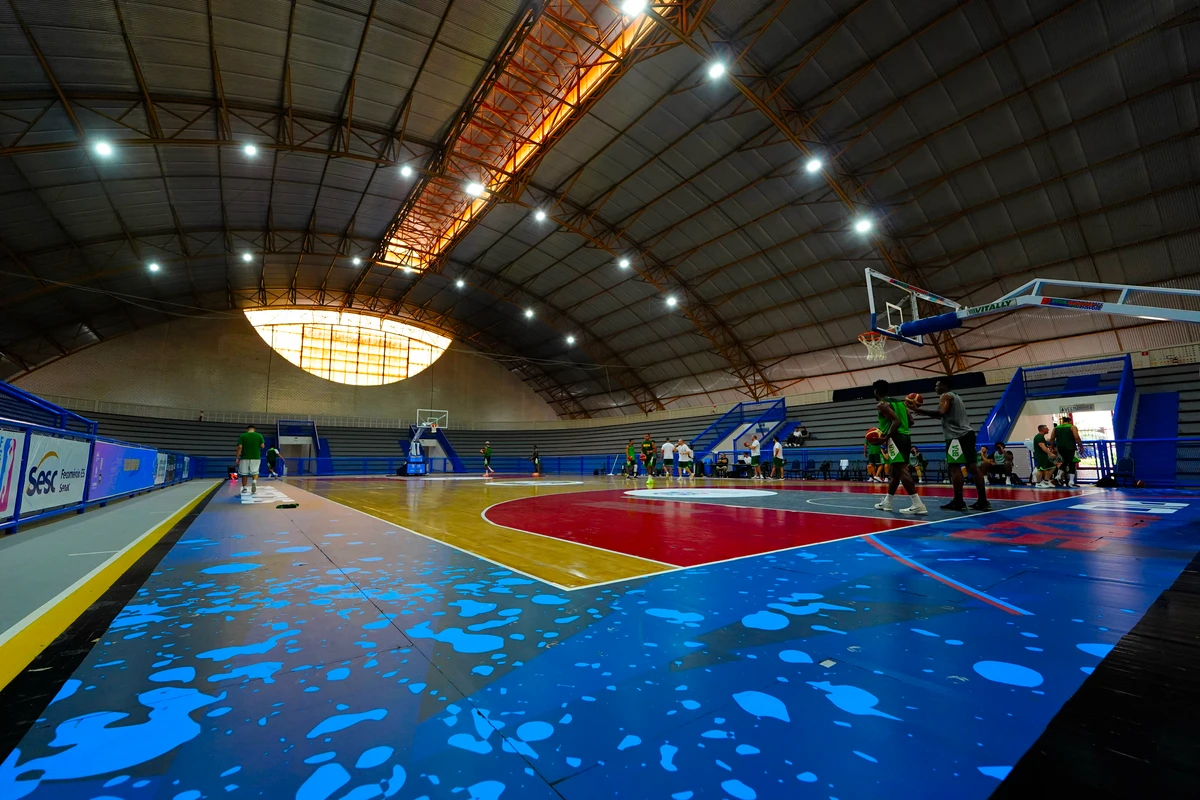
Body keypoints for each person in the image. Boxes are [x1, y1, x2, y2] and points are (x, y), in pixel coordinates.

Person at [911, 376, 989, 511]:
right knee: (972, 467)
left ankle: (959, 501)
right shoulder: (955, 396)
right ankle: (983, 500)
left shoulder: (946, 396)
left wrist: (919, 410)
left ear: (945, 386)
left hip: (956, 436)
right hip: (967, 434)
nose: (935, 388)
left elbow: (941, 412)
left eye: (937, 385)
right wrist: (923, 413)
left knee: (954, 467)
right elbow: (943, 414)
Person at [869, 380, 927, 515]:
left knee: (901, 470)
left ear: (876, 392)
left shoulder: (882, 405)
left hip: (895, 439)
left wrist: (885, 437)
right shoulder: (900, 403)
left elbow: (896, 421)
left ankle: (918, 503)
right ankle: (887, 502)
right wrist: (900, 430)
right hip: (905, 437)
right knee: (895, 473)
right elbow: (911, 421)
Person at [235, 424, 265, 495]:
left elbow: (240, 447)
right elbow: (262, 446)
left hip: (245, 457)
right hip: (256, 457)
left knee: (244, 473)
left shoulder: (243, 436)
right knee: (255, 472)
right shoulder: (259, 435)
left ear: (247, 429)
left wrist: (237, 457)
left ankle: (245, 488)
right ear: (254, 429)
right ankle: (254, 481)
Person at [1054, 415, 1083, 487]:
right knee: (1072, 463)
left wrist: (1052, 447)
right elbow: (1076, 437)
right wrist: (1081, 446)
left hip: (1060, 448)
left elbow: (1052, 438)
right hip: (1071, 447)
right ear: (1070, 421)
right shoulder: (1072, 427)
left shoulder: (1056, 428)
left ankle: (1058, 476)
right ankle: (1071, 481)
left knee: (1065, 462)